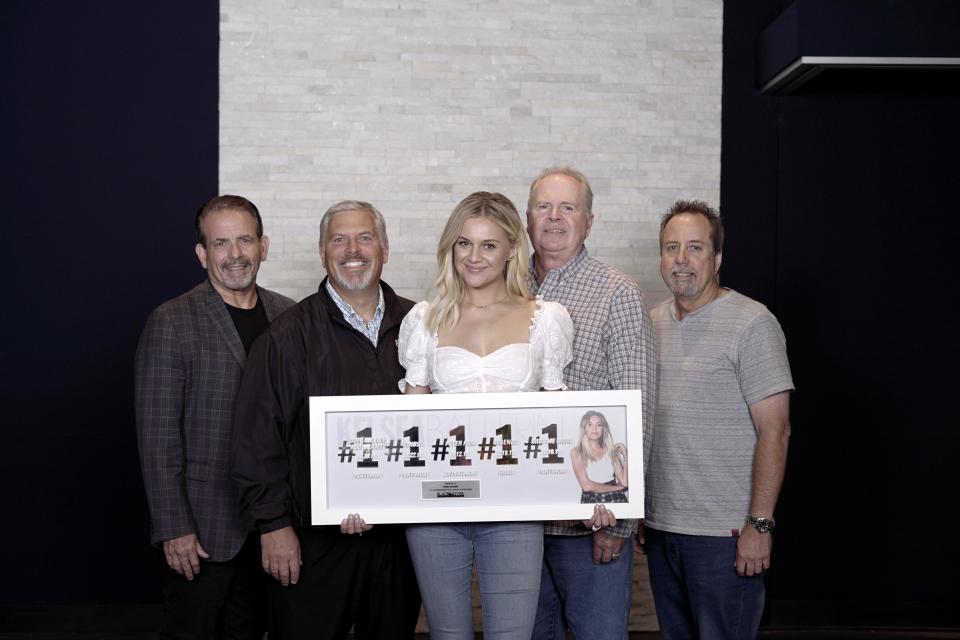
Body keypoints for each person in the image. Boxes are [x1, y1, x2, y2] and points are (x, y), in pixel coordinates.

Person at [230, 200, 421, 640]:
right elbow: (257, 441)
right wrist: (274, 527)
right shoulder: (287, 335)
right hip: (314, 540)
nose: (352, 249)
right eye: (339, 239)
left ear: (385, 249)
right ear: (322, 252)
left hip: (400, 540)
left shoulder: (420, 325)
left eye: (365, 237)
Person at [389, 191, 574, 639]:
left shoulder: (545, 318)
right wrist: (368, 496)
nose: (474, 256)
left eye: (489, 244)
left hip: (515, 508)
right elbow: (409, 422)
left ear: (513, 247)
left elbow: (559, 422)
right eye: (464, 243)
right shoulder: (425, 319)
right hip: (437, 507)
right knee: (447, 635)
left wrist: (596, 493)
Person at [135, 195, 295, 640]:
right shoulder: (172, 321)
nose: (235, 254)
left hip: (272, 529)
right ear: (202, 254)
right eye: (221, 243)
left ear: (264, 246)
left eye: (245, 240)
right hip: (203, 532)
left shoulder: (289, 316)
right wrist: (174, 528)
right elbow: (157, 438)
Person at [645, 200, 793, 639]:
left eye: (695, 248)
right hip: (660, 528)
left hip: (724, 535)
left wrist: (759, 524)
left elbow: (777, 431)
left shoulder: (752, 323)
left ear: (718, 258)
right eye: (671, 248)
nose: (682, 260)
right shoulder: (650, 323)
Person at [526, 166, 657, 640]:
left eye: (568, 207)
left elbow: (635, 408)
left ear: (589, 220)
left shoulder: (617, 293)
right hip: (520, 523)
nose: (555, 218)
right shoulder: (505, 289)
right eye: (543, 206)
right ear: (526, 218)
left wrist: (618, 522)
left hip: (588, 523)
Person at [571, 410, 628, 504]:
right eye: (590, 424)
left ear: (603, 429)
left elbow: (625, 483)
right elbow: (587, 486)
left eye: (599, 425)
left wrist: (625, 457)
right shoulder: (577, 452)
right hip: (592, 499)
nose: (594, 428)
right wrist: (617, 487)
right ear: (584, 428)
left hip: (615, 498)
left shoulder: (610, 451)